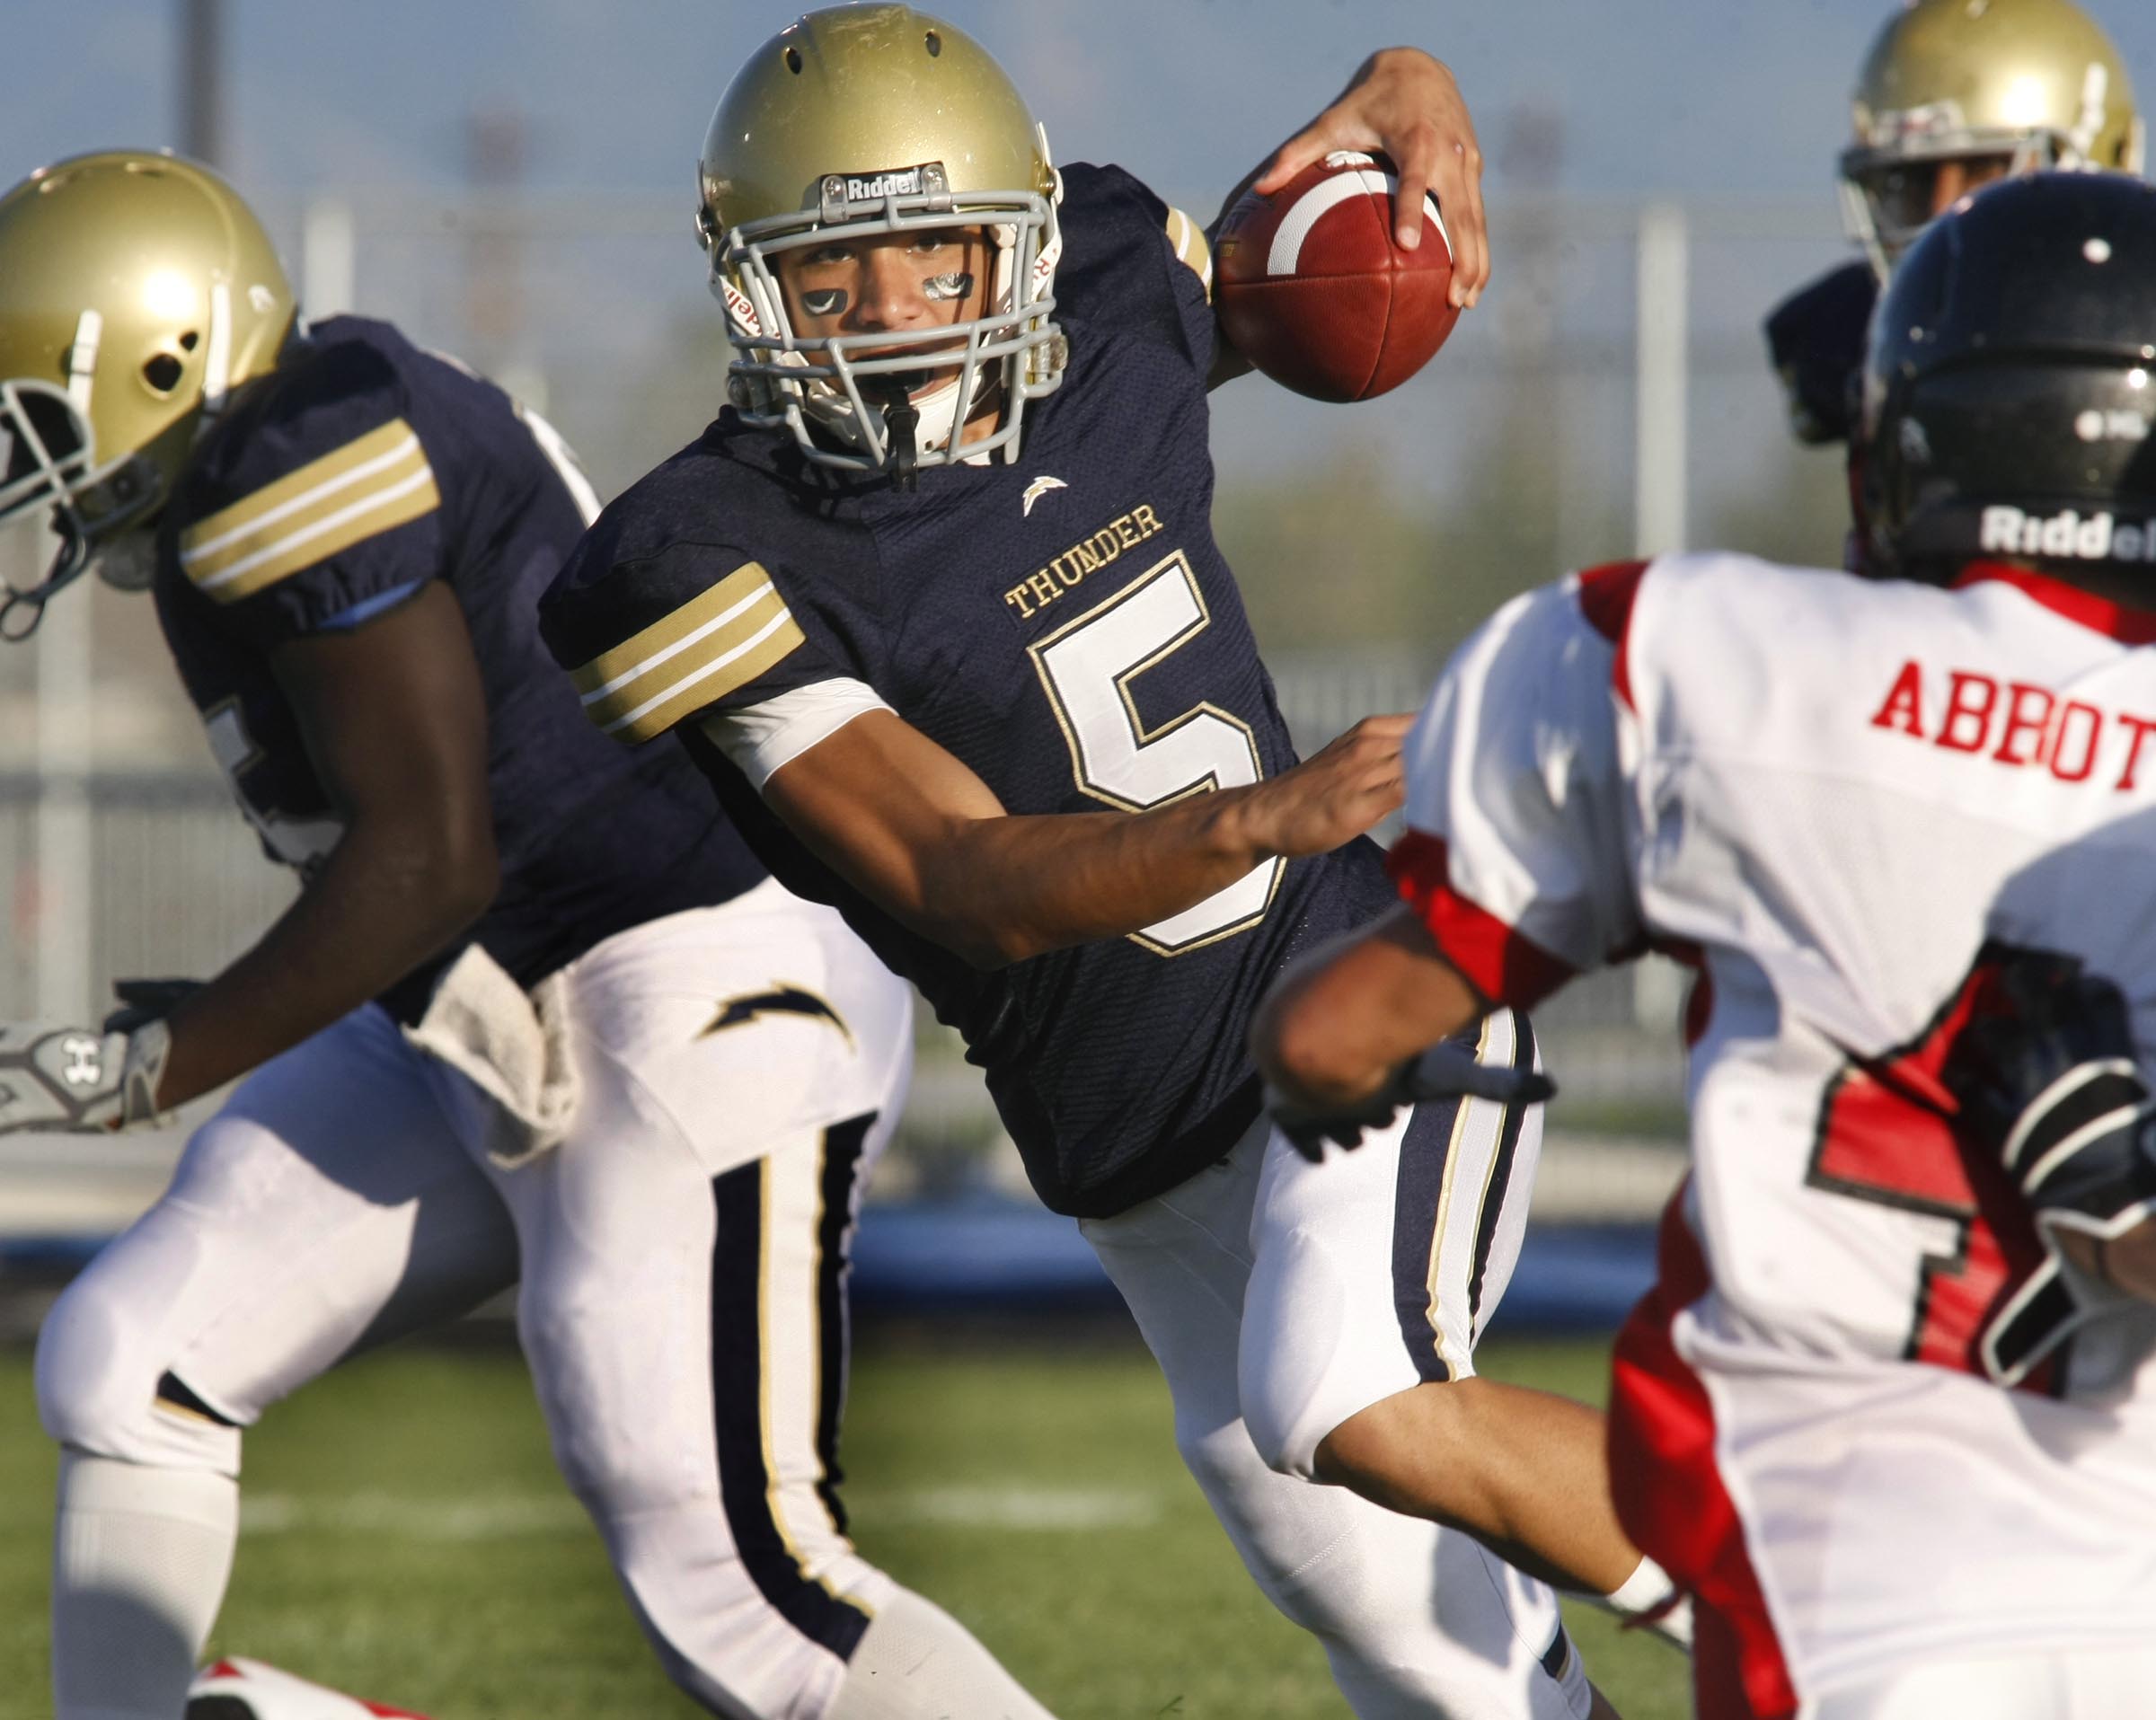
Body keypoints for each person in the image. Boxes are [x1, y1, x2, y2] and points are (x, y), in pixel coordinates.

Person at [541, 10, 1686, 1716]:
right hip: (1136, 1141)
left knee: (1355, 1396)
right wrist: (1248, 815)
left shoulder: (1107, 291)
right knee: (1381, 1603)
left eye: (933, 257)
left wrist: (1403, 84)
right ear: (749, 284)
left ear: (1011, 242)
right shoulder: (703, 556)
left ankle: (1859, 1601)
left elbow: (1297, 269)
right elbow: (953, 870)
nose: (887, 315)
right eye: (831, 273)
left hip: (1362, 1000)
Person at [0, 150, 1056, 1720]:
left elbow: (425, 859)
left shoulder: (301, 448)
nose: (26, 456)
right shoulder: (246, 472)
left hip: (693, 973)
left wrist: (161, 1059)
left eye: (37, 407)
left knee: (742, 1595)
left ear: (161, 354)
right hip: (492, 998)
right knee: (128, 1362)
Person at [1254, 170, 2156, 1719]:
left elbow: (1337, 1035)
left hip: (1839, 1576)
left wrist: (1323, 1057)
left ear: (1904, 438)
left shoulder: (1705, 659)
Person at [1765, 0, 2141, 447]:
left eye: (1983, 172)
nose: (1943, 216)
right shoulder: (1849, 335)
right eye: (1914, 182)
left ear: (2095, 162)